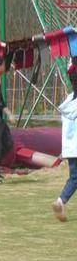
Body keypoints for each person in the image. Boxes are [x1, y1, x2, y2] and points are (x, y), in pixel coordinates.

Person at [52, 59, 77, 221]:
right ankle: (60, 201)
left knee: (74, 177)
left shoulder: (68, 101)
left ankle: (60, 202)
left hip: (70, 147)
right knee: (75, 178)